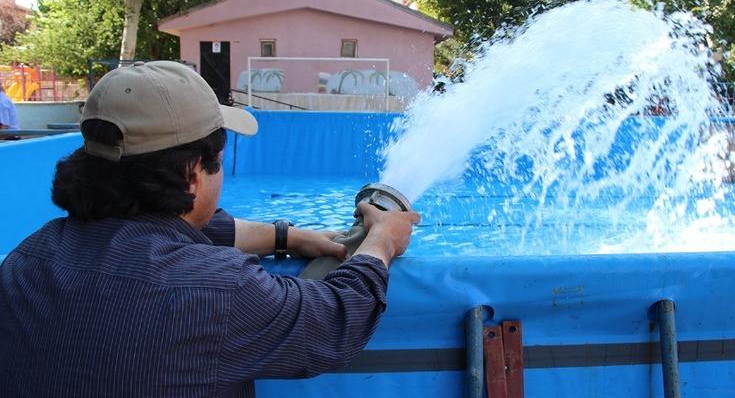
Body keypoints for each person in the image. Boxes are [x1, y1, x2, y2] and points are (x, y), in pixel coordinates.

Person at [0, 61, 420, 397]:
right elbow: (335, 320)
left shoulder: (28, 258)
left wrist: (287, 236)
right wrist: (383, 240)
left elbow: (160, 234)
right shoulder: (218, 289)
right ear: (192, 173)